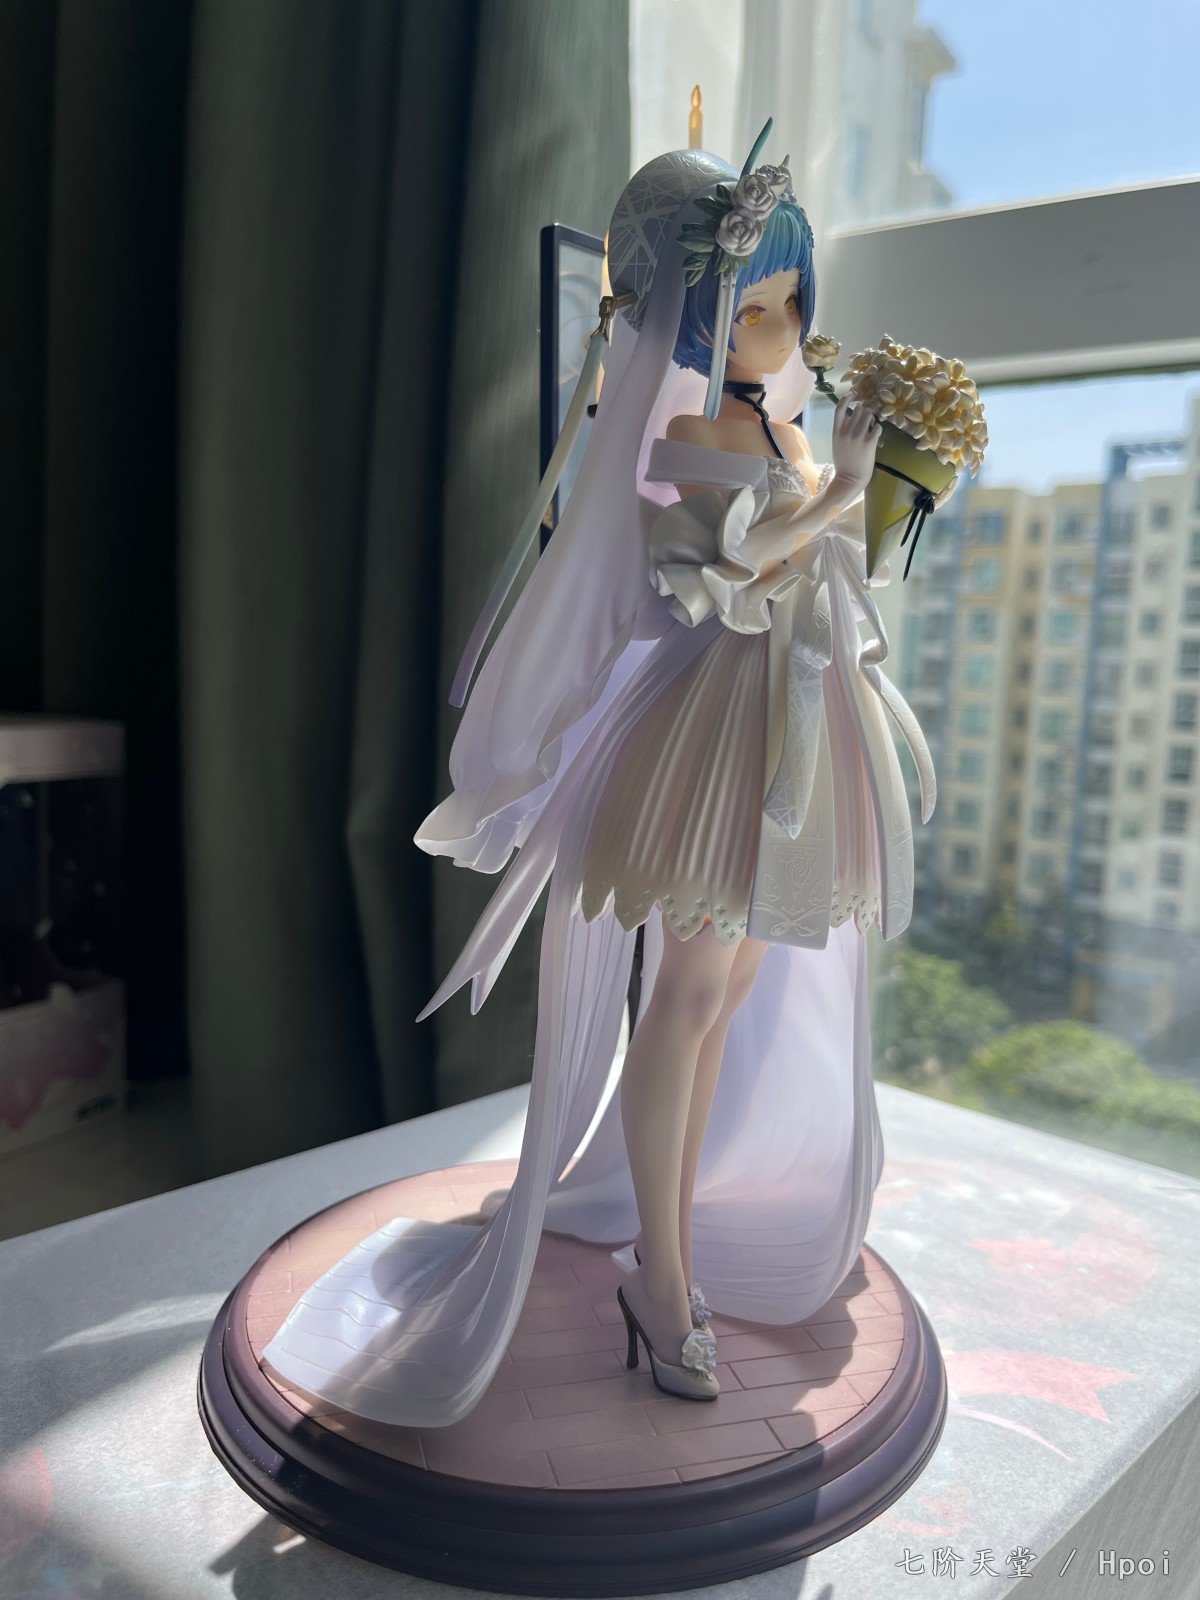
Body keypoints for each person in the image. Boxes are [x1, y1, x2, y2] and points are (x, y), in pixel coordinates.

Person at [261, 128, 935, 1426]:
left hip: (793, 728)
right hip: (718, 732)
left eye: (790, 305)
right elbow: (714, 573)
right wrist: (837, 493)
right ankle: (662, 1281)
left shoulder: (779, 422)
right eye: (753, 307)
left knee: (726, 992)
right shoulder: (688, 423)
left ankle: (673, 1237)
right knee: (686, 996)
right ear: (692, 313)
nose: (780, 330)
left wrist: (871, 490)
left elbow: (819, 559)